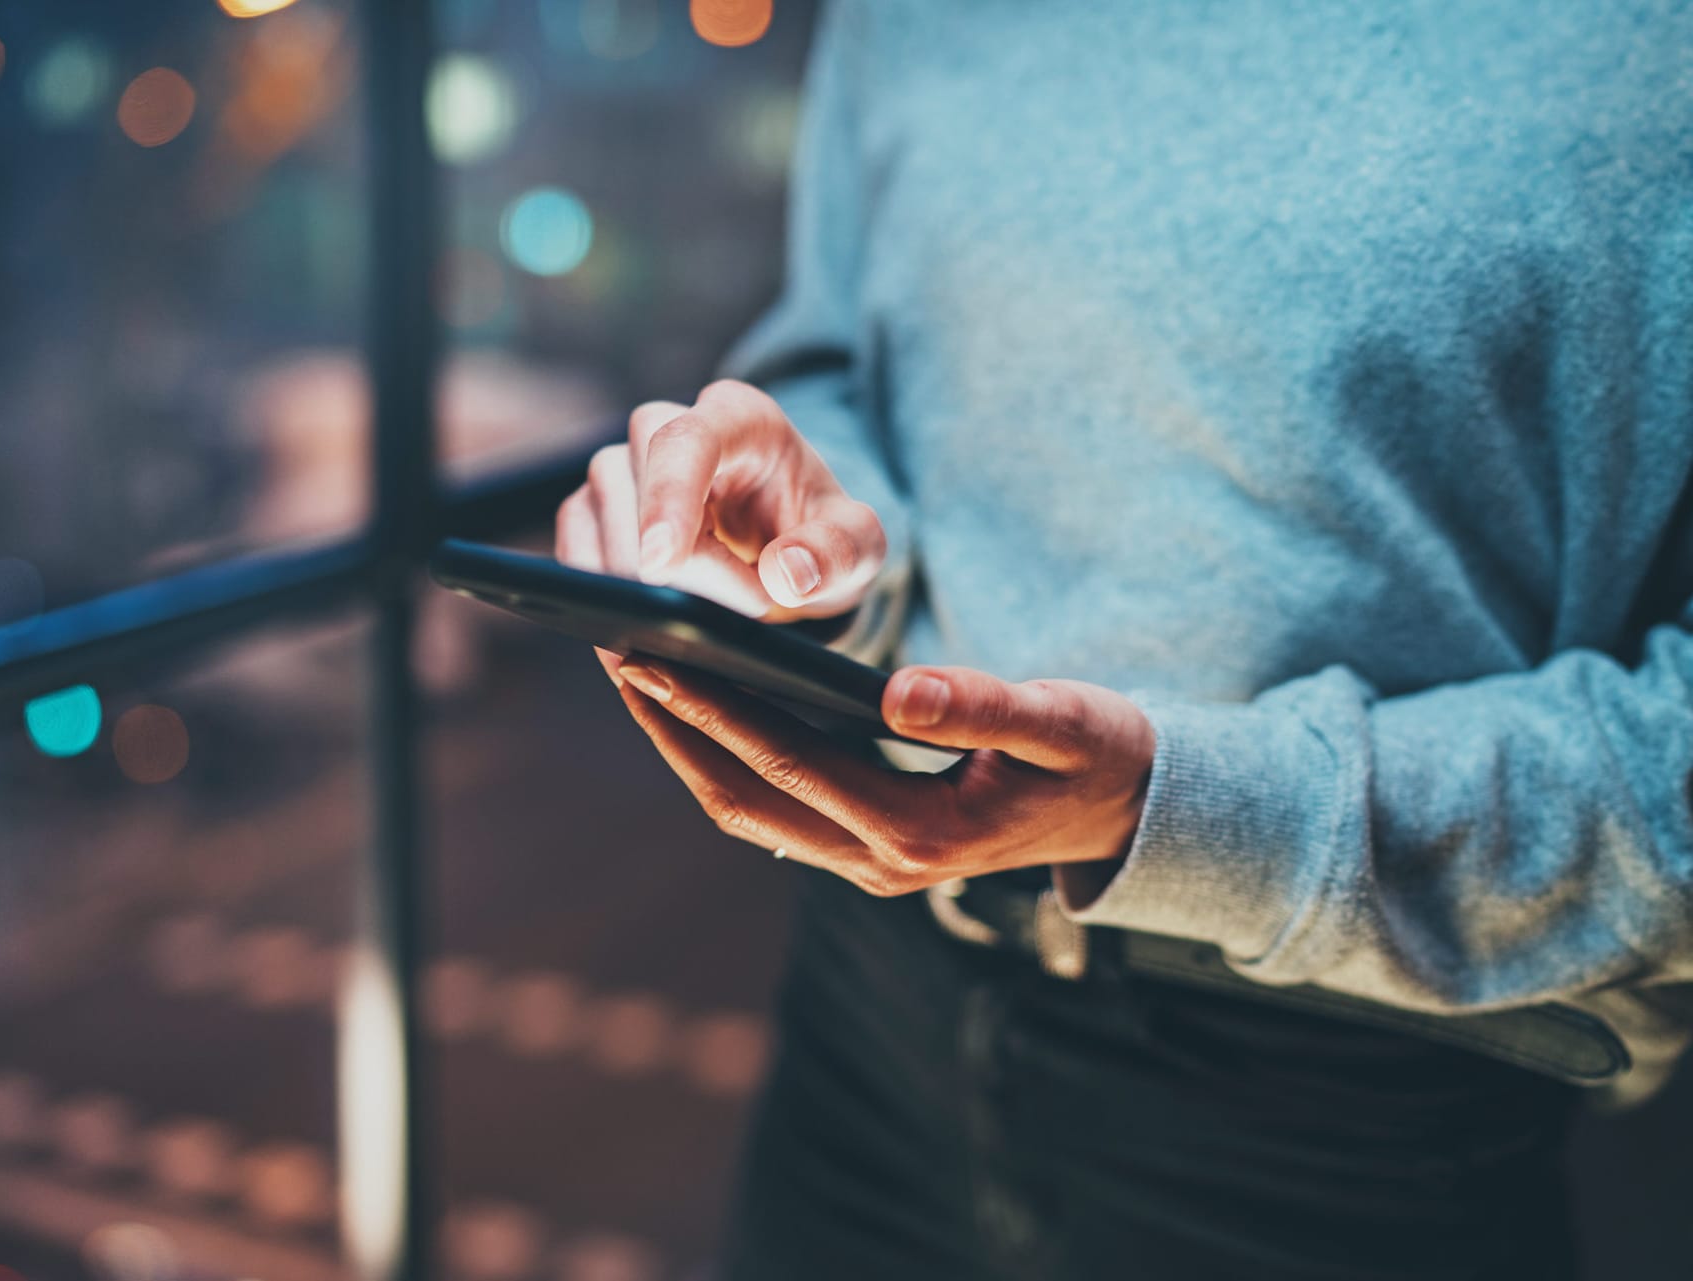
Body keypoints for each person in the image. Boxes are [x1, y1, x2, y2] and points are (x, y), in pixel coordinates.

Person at [555, 3, 1693, 1278]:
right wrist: (805, 545)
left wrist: (1191, 807)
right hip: (868, 1011)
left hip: (1361, 1100)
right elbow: (842, 368)